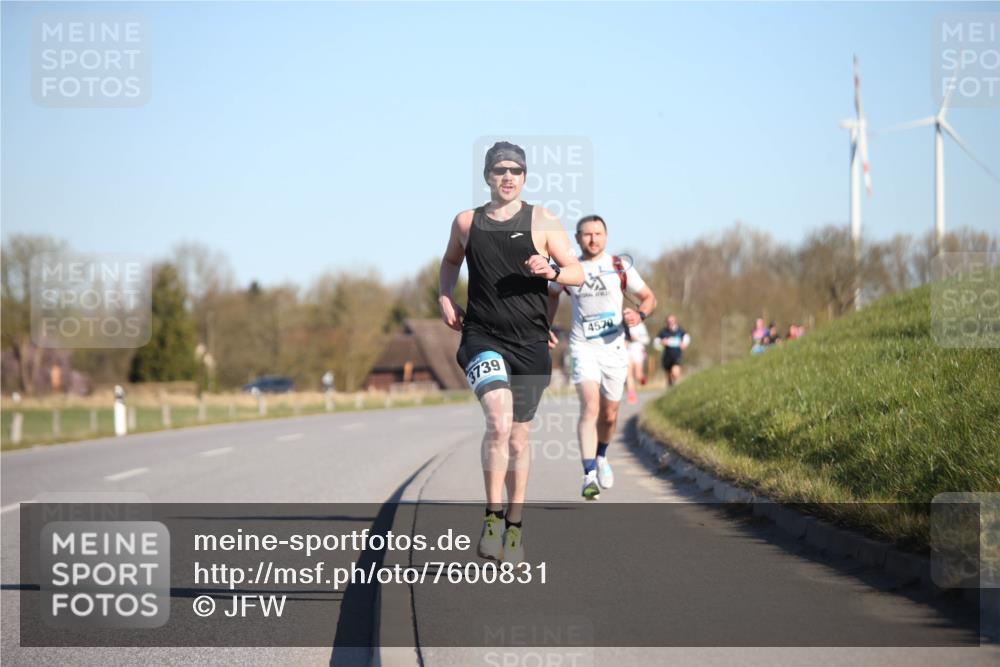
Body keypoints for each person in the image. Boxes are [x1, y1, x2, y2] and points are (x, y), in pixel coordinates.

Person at [439, 141, 583, 563]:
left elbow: (575, 272)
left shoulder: (543, 220)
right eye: (499, 169)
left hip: (532, 344)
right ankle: (492, 516)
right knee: (499, 423)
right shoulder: (467, 222)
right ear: (487, 176)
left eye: (515, 171)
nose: (507, 176)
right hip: (482, 335)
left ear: (524, 177)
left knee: (519, 437)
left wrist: (553, 269)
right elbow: (450, 263)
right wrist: (445, 298)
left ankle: (515, 527)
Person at [547, 215, 657, 500]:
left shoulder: (619, 266)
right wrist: (544, 325)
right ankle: (588, 475)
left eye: (598, 234)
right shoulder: (570, 269)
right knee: (590, 407)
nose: (593, 239)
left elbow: (649, 298)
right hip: (583, 347)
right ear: (577, 238)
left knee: (609, 416)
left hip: (614, 349)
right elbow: (552, 294)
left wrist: (640, 314)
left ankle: (602, 455)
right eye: (587, 234)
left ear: (606, 236)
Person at [656, 314, 690, 387]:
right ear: (666, 322)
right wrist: (661, 343)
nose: (670, 323)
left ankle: (674, 383)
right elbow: (656, 343)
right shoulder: (663, 332)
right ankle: (671, 386)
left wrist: (684, 344)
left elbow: (687, 338)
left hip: (677, 355)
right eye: (669, 321)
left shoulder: (680, 331)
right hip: (666, 356)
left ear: (675, 321)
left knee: (675, 373)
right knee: (668, 375)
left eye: (672, 321)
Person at [625, 319, 651, 405]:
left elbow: (647, 340)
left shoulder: (640, 326)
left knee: (637, 374)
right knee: (629, 374)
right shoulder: (625, 326)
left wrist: (636, 338)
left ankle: (642, 379)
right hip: (628, 350)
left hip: (638, 350)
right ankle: (631, 395)